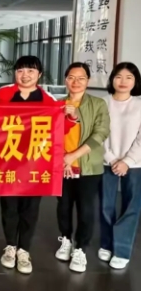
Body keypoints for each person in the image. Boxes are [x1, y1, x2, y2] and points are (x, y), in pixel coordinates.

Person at [0, 56, 72, 274]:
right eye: (20, 70)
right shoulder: (3, 94)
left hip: (36, 164)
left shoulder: (48, 99)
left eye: (30, 71)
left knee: (30, 209)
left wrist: (70, 117)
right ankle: (10, 246)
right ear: (15, 73)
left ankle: (24, 250)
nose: (25, 75)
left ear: (39, 74)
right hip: (8, 162)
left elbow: (61, 128)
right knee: (9, 207)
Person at [55, 62, 110, 273]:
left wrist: (73, 156)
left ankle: (81, 249)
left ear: (88, 80)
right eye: (71, 77)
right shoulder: (57, 104)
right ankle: (66, 240)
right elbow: (48, 135)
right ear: (65, 80)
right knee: (63, 206)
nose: (75, 82)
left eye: (81, 78)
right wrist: (63, 159)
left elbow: (101, 133)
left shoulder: (98, 104)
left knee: (86, 209)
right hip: (61, 165)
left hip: (88, 167)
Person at [99, 62, 141, 270]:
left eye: (129, 77)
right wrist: (112, 159)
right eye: (118, 76)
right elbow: (96, 134)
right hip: (106, 161)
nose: (123, 81)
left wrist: (127, 161)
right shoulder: (102, 103)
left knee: (131, 207)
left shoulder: (140, 105)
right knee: (105, 205)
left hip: (135, 164)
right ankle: (106, 243)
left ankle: (122, 250)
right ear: (112, 79)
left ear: (136, 82)